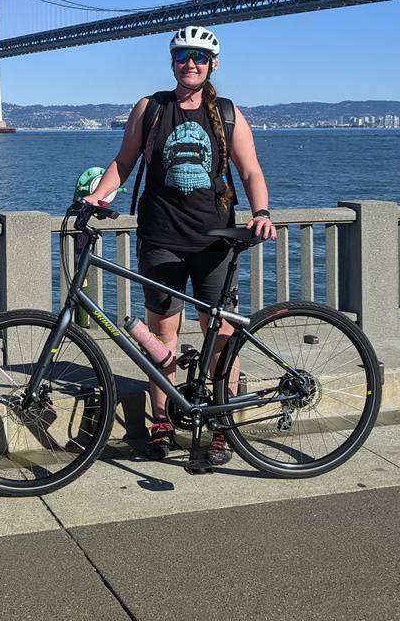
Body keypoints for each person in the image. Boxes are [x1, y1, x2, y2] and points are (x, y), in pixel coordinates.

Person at [86, 25, 276, 464]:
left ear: (213, 65)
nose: (191, 63)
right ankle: (161, 422)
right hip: (161, 239)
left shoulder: (228, 113)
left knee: (220, 333)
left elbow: (250, 172)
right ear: (172, 62)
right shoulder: (150, 108)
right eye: (182, 56)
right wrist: (99, 196)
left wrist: (261, 213)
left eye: (200, 57)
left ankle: (222, 426)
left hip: (215, 240)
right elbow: (124, 162)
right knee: (161, 336)